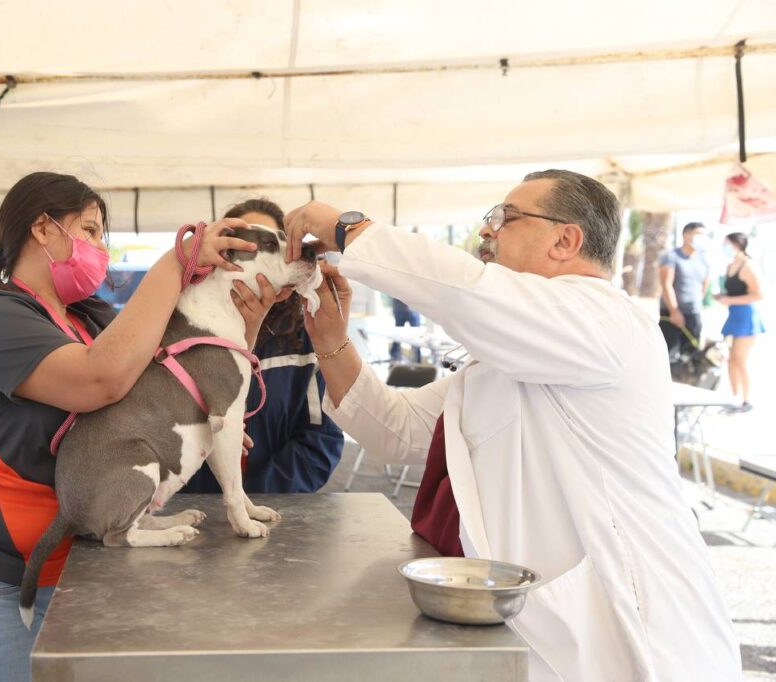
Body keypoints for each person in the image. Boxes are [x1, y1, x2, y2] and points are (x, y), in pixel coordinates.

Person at [283, 170, 740, 681]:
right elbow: (398, 428)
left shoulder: (608, 319)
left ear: (567, 239)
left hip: (637, 633)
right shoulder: (511, 355)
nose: (487, 232)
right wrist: (330, 339)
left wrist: (348, 228)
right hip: (545, 633)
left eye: (505, 218)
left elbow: (470, 292)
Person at [0, 172, 277, 681]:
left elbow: (166, 382)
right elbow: (100, 379)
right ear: (42, 228)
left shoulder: (87, 317)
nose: (100, 248)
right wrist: (178, 260)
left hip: (76, 569)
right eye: (90, 229)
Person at [183, 198, 344, 494]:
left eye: (276, 245)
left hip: (278, 509)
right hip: (191, 507)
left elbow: (321, 441)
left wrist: (254, 497)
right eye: (253, 249)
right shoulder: (181, 340)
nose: (269, 258)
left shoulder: (307, 342)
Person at [716, 232, 765, 413]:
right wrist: (722, 297)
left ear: (737, 244)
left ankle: (746, 400)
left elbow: (758, 294)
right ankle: (734, 398)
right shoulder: (730, 266)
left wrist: (731, 301)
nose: (724, 247)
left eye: (727, 243)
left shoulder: (748, 265)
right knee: (730, 360)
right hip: (733, 315)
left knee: (740, 360)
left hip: (746, 317)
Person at [659, 222, 711, 365]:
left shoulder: (704, 260)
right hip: (671, 313)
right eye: (698, 234)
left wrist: (698, 301)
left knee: (691, 354)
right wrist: (674, 311)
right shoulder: (672, 256)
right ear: (686, 235)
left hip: (693, 314)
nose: (702, 238)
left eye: (704, 235)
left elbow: (705, 283)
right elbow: (666, 284)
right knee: (668, 355)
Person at [389, 297, 422, 363]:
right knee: (397, 336)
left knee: (417, 337)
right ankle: (394, 357)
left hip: (413, 309)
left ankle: (418, 361)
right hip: (399, 309)